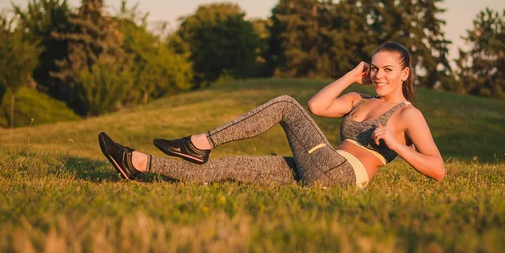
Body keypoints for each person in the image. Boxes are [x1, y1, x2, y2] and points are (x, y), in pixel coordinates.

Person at [98, 41, 445, 188]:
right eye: (375, 68)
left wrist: (396, 146)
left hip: (343, 176)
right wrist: (353, 76)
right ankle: (138, 163)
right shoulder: (358, 98)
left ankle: (200, 142)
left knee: (285, 105)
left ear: (404, 74)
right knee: (231, 168)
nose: (380, 75)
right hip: (319, 167)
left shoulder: (407, 114)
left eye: (388, 69)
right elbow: (318, 107)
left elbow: (438, 169)